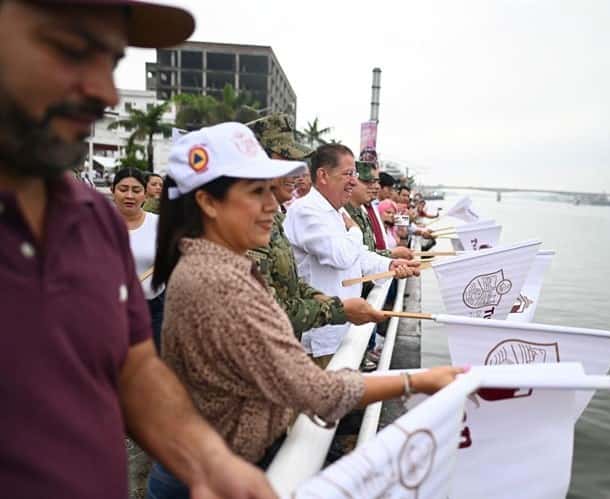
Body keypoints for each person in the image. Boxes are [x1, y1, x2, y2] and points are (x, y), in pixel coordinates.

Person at [0, 2, 275, 498]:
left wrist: (209, 461)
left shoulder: (92, 217)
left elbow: (135, 367)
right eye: (71, 49)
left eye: (111, 62)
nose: (105, 93)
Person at [147, 122, 465, 498]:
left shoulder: (213, 264)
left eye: (270, 190)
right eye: (255, 192)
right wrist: (420, 380)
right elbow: (317, 390)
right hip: (207, 476)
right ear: (208, 203)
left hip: (210, 462)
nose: (272, 205)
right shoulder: (219, 281)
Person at [247, 114, 385, 339]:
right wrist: (338, 310)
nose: (297, 171)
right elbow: (266, 306)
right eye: (286, 159)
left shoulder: (276, 219)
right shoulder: (249, 223)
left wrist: (391, 264)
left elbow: (293, 285)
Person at [284, 144, 421, 367]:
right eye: (348, 174)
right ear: (323, 175)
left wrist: (392, 264)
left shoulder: (338, 211)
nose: (354, 181)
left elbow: (359, 257)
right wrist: (355, 230)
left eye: (354, 175)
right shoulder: (305, 211)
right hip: (322, 337)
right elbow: (341, 256)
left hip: (343, 330)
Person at [111, 167, 166, 351]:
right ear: (112, 191)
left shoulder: (159, 224)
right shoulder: (98, 223)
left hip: (154, 308)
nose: (129, 196)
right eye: (123, 189)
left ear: (145, 194)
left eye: (136, 191)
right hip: (110, 308)